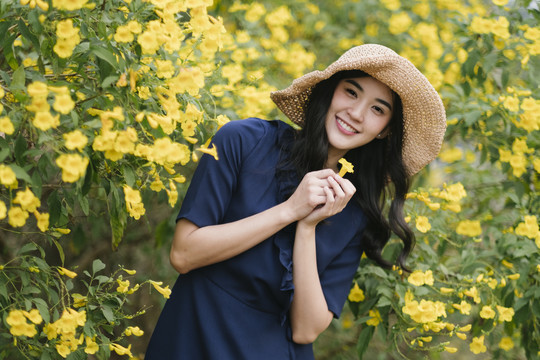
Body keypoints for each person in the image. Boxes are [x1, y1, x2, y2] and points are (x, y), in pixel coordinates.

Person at [145, 44, 446, 360]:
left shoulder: (354, 212)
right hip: (189, 337)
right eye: (351, 92)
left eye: (378, 109)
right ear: (330, 91)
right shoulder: (242, 141)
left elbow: (305, 330)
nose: (356, 114)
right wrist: (289, 210)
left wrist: (307, 226)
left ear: (385, 131)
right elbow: (184, 253)